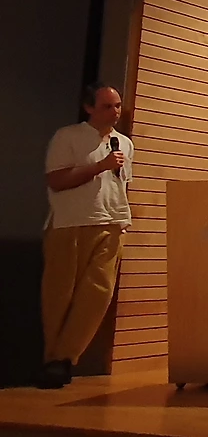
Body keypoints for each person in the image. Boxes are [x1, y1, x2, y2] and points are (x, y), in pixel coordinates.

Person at [38, 84, 134, 389]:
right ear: (89, 108)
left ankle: (65, 358)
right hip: (72, 223)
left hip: (112, 222)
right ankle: (52, 359)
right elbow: (56, 180)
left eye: (117, 106)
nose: (115, 112)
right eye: (107, 106)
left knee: (98, 295)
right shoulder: (68, 137)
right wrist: (99, 166)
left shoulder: (124, 143)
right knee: (60, 294)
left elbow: (121, 183)